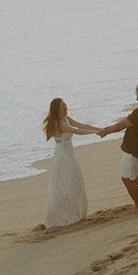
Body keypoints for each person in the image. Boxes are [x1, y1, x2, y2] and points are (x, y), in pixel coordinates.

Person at [100, 80, 138, 209]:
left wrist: (105, 131)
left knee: (126, 178)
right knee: (131, 173)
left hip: (136, 151)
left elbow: (120, 126)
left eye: (137, 89)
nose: (135, 91)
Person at [42, 98, 99, 229]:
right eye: (63, 107)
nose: (66, 108)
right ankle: (65, 216)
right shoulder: (58, 124)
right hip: (62, 158)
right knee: (67, 184)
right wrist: (96, 133)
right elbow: (75, 131)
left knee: (74, 183)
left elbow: (82, 126)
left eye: (65, 106)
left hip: (69, 155)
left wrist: (100, 129)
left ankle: (75, 212)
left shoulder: (67, 119)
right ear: (57, 109)